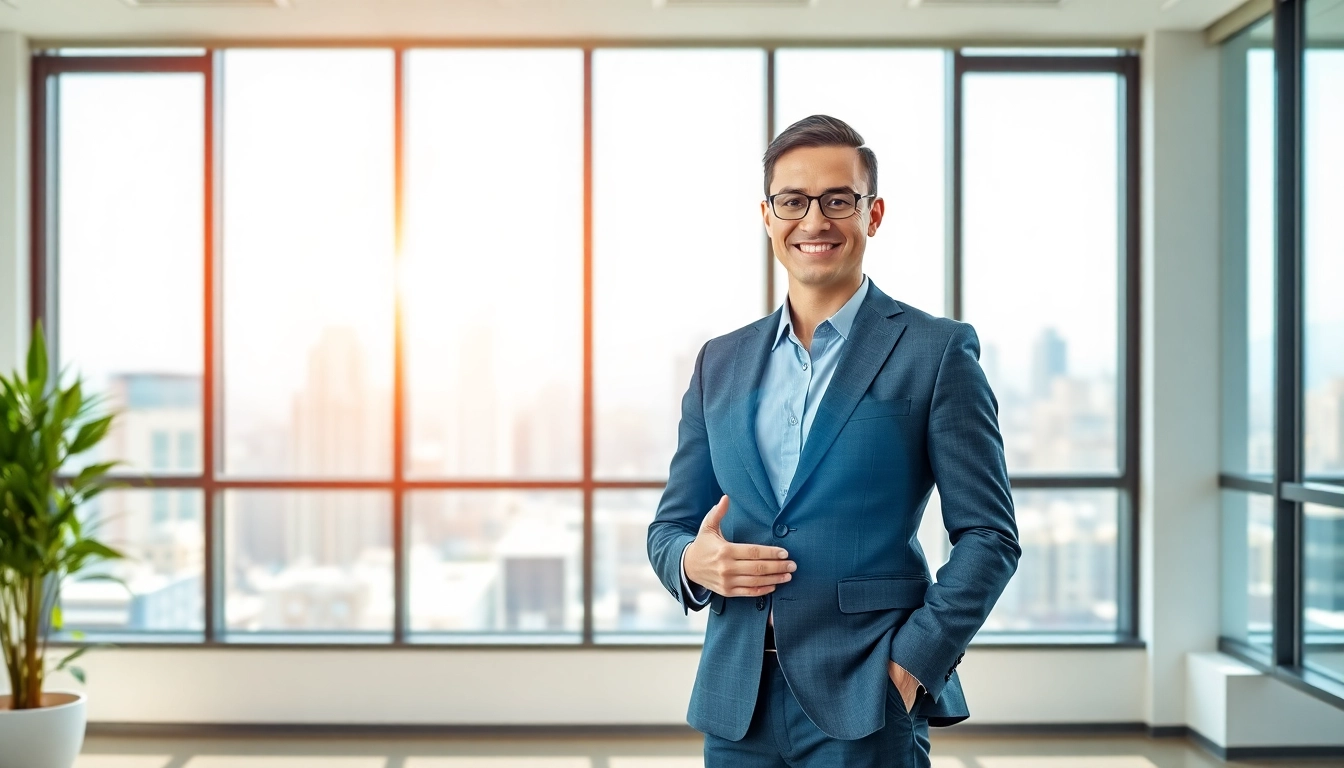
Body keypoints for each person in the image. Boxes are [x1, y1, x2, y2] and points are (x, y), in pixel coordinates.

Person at [646, 114, 1021, 768]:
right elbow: (672, 524)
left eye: (838, 200)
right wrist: (691, 563)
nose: (814, 221)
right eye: (792, 201)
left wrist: (911, 667)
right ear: (767, 216)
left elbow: (990, 537)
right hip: (737, 703)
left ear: (872, 215)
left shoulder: (935, 352)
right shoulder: (720, 362)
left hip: (868, 700)